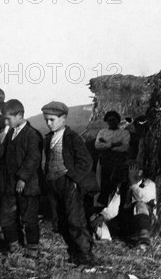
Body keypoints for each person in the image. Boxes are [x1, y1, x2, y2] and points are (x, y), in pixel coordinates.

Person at [42, 101, 98, 266]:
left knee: (75, 220)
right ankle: (73, 252)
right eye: (46, 120)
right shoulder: (48, 139)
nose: (48, 123)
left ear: (63, 118)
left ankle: (86, 254)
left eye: (52, 119)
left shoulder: (72, 137)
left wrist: (74, 180)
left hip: (69, 183)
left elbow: (86, 162)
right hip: (54, 183)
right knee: (60, 221)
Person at [0, 99, 43, 257]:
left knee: (29, 218)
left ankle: (32, 250)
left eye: (8, 118)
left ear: (19, 115)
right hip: (10, 183)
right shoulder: (10, 133)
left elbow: (33, 157)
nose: (6, 122)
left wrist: (23, 178)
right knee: (5, 215)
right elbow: (2, 156)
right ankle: (14, 246)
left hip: (28, 184)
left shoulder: (32, 134)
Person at [90, 160, 156, 247]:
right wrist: (102, 216)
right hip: (128, 223)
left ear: (140, 172)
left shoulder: (149, 184)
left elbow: (142, 197)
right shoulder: (123, 186)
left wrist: (132, 181)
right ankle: (105, 239)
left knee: (139, 204)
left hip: (146, 224)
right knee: (96, 217)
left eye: (130, 170)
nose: (127, 174)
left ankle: (143, 238)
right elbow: (114, 207)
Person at [95, 111, 131, 206]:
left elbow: (125, 147)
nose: (111, 122)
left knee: (117, 185)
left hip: (119, 161)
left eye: (114, 120)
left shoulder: (124, 132)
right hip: (105, 162)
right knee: (104, 184)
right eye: (109, 120)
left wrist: (106, 145)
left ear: (118, 121)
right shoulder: (102, 132)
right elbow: (98, 145)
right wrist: (114, 144)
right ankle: (103, 207)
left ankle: (116, 206)